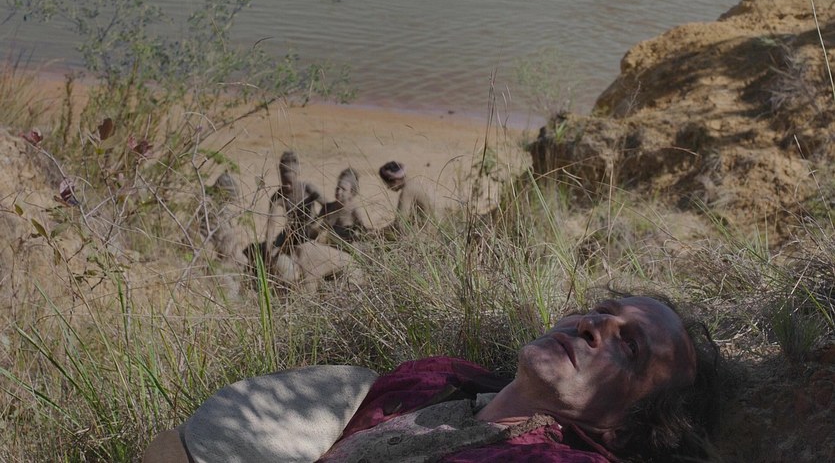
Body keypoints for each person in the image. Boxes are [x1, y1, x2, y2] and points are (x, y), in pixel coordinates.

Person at [143, 295, 721, 462]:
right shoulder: (442, 377)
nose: (593, 326)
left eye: (629, 345)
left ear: (630, 424)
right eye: (601, 311)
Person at [266, 151, 325, 254]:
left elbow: (329, 206)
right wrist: (267, 251)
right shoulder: (277, 197)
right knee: (275, 251)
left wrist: (317, 222)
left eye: (290, 183)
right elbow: (270, 227)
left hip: (311, 231)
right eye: (284, 181)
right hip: (291, 232)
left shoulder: (308, 189)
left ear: (297, 174)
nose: (287, 186)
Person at [377, 161, 436, 238]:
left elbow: (400, 224)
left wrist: (379, 233)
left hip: (427, 235)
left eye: (387, 184)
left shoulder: (407, 191)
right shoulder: (417, 183)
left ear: (395, 180)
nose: (388, 188)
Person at [317, 168, 368, 244]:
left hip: (347, 247)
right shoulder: (328, 207)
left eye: (343, 189)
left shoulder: (353, 211)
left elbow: (364, 233)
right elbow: (316, 230)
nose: (339, 192)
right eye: (337, 188)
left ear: (351, 192)